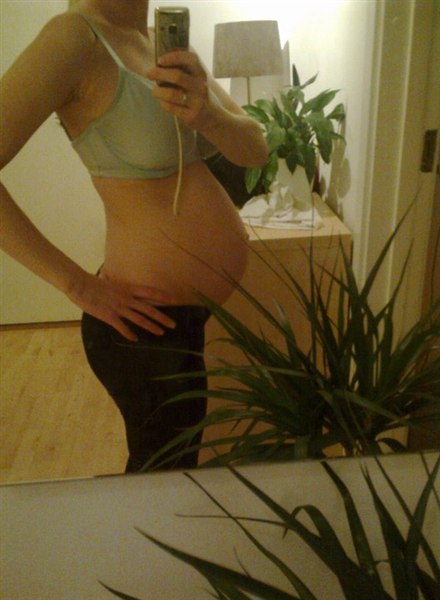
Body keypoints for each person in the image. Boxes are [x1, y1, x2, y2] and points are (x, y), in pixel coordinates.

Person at [0, 0, 268, 472]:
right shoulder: (74, 38)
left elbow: (256, 150)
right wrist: (78, 286)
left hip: (180, 319)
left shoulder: (157, 40)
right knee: (160, 483)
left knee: (166, 476)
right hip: (143, 326)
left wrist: (209, 116)